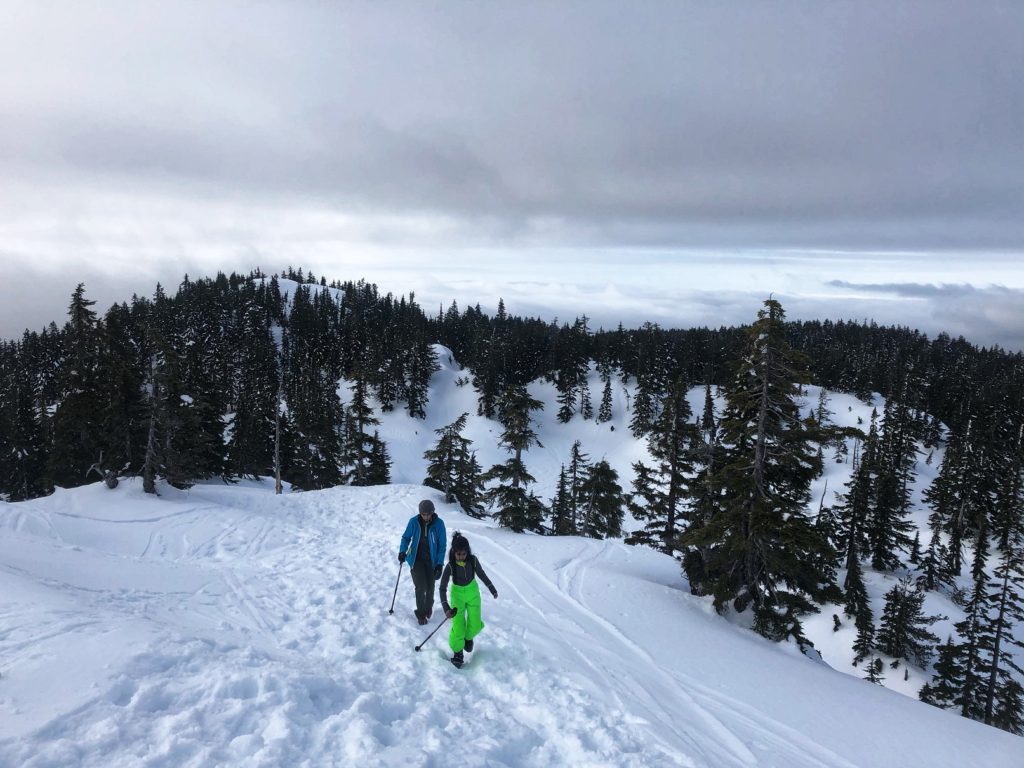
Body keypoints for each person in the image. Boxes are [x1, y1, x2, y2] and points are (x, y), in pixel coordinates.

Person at [439, 532, 497, 667]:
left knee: (475, 624)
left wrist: (491, 588)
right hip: (457, 596)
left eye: (464, 554)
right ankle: (458, 652)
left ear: (468, 552)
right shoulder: (450, 566)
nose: (461, 557)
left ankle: (468, 638)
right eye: (458, 554)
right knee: (458, 627)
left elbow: (481, 574)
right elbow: (442, 588)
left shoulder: (473, 560)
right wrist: (446, 608)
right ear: (453, 552)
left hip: (473, 594)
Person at [399, 499, 447, 625]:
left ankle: (428, 607)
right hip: (416, 559)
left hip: (432, 560)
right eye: (423, 514)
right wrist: (402, 551)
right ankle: (421, 613)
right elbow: (405, 538)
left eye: (428, 514)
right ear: (420, 513)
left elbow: (442, 546)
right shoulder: (414, 522)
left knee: (430, 587)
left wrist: (439, 564)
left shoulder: (439, 524)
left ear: (432, 513)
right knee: (421, 587)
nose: (426, 517)